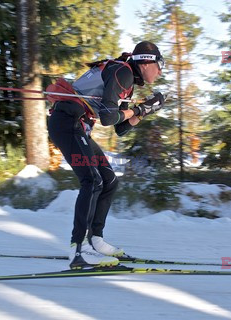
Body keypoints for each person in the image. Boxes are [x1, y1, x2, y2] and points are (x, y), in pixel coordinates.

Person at [47, 41, 165, 269]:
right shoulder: (123, 72)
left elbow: (121, 128)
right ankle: (78, 250)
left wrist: (146, 110)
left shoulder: (125, 76)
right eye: (159, 64)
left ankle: (95, 240)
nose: (160, 71)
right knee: (92, 180)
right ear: (147, 62)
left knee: (109, 181)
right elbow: (108, 118)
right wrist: (141, 109)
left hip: (76, 124)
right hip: (67, 121)